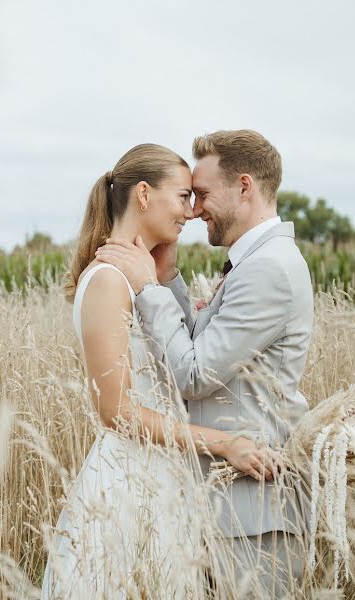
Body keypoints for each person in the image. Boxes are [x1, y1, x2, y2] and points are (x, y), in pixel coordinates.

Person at [41, 142, 280, 599]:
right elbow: (117, 412)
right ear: (144, 195)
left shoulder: (140, 278)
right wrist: (226, 443)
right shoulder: (109, 280)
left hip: (163, 479)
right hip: (128, 486)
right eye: (183, 196)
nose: (191, 213)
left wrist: (164, 275)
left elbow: (183, 359)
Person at [96, 130, 314, 598]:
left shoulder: (269, 268)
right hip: (221, 508)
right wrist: (167, 277)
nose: (194, 210)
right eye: (189, 196)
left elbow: (194, 376)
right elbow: (200, 347)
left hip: (256, 516)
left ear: (243, 187)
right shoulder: (251, 262)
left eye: (203, 194)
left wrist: (149, 289)